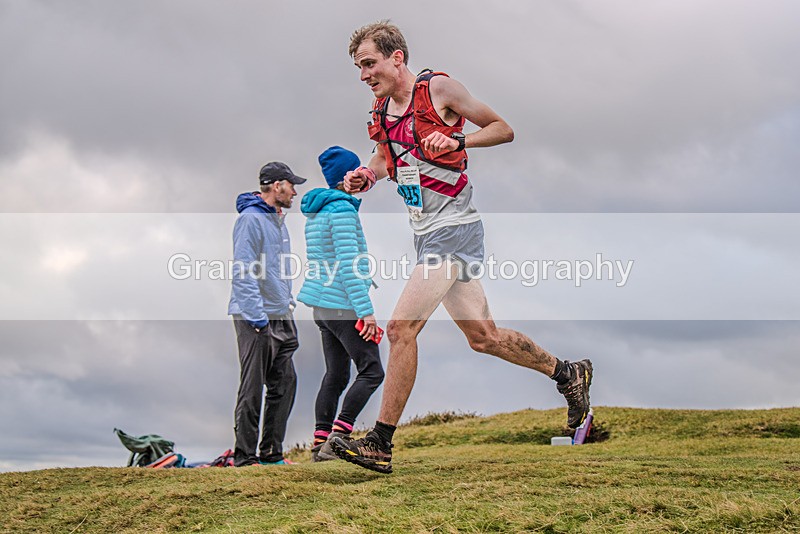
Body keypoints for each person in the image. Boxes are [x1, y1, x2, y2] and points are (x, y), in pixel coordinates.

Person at [331, 21, 593, 474]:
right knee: (483, 338)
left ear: (397, 58)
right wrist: (367, 175)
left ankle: (380, 443)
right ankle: (567, 373)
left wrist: (457, 138)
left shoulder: (439, 90)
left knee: (400, 329)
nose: (363, 75)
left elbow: (503, 129)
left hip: (454, 228)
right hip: (425, 231)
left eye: (369, 63)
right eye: (359, 67)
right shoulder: (381, 111)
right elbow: (386, 157)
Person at [297, 146, 385, 462]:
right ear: (346, 175)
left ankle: (320, 443)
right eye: (357, 169)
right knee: (372, 371)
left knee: (335, 375)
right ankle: (337, 439)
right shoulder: (343, 211)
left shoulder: (319, 211)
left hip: (322, 307)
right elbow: (349, 266)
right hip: (343, 304)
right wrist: (366, 311)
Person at [228, 161, 306, 466]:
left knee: (285, 384)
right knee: (252, 386)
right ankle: (245, 458)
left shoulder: (277, 220)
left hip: (281, 313)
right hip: (255, 316)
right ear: (277, 186)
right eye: (291, 185)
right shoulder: (250, 219)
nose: (295, 192)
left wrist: (287, 304)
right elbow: (243, 270)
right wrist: (256, 317)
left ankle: (272, 454)